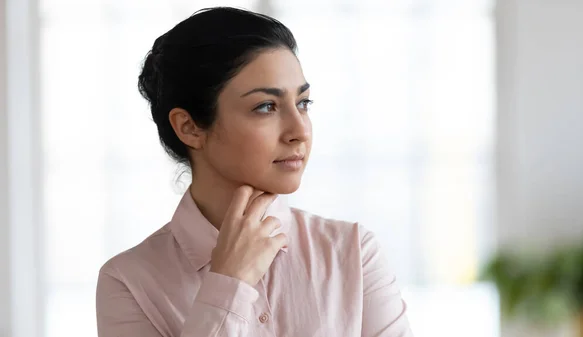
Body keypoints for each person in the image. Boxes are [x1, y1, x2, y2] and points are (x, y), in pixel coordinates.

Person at [96, 7, 413, 337]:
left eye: (303, 103)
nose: (299, 130)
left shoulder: (353, 253)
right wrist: (229, 282)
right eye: (266, 106)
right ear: (189, 127)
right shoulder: (129, 283)